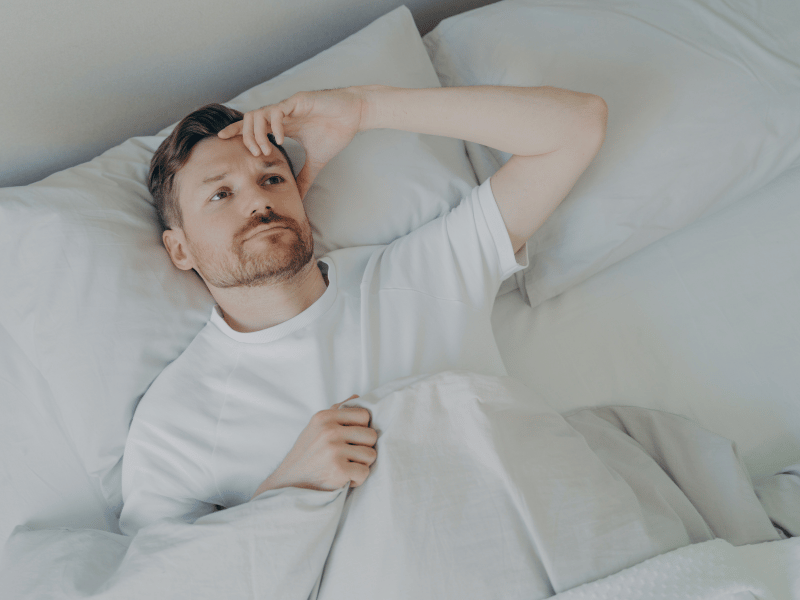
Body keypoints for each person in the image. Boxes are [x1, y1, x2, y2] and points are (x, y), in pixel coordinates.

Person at [118, 84, 608, 536]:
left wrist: (364, 107)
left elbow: (578, 124)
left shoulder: (420, 272)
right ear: (179, 249)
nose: (258, 203)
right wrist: (286, 490)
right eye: (221, 193)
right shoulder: (176, 420)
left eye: (271, 178)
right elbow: (164, 577)